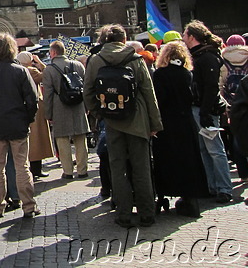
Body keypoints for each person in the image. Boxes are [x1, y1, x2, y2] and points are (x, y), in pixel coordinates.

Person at [83, 24, 163, 227]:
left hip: (111, 120)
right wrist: (155, 123)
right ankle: (147, 213)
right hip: (138, 120)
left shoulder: (96, 60)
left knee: (117, 168)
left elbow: (88, 91)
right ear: (124, 39)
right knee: (141, 167)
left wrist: (99, 113)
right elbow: (148, 93)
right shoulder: (136, 59)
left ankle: (123, 214)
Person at [0, 33, 40, 220]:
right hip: (18, 125)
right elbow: (33, 100)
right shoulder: (20, 71)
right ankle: (28, 206)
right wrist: (27, 119)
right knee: (22, 166)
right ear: (13, 49)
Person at [151, 40, 209, 217]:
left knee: (166, 160)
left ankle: (163, 194)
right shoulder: (187, 74)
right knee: (188, 160)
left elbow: (158, 100)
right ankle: (190, 198)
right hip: (185, 122)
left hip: (166, 124)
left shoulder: (160, 75)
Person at [183, 20, 233, 203]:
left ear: (192, 37)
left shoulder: (206, 57)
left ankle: (224, 188)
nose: (183, 37)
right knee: (204, 149)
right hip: (199, 107)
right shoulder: (198, 56)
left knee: (215, 150)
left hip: (206, 109)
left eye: (185, 34)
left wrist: (205, 111)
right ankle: (212, 186)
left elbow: (211, 87)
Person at [42, 41, 90, 180]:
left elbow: (48, 94)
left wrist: (48, 114)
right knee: (81, 138)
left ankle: (68, 171)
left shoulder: (49, 70)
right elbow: (86, 88)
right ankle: (82, 170)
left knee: (62, 140)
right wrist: (87, 107)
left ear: (54, 52)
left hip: (59, 106)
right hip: (78, 105)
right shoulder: (78, 65)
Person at [16, 51, 52, 179]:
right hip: (36, 108)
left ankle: (32, 169)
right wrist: (40, 62)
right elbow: (48, 74)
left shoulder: (18, 70)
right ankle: (36, 169)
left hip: (22, 108)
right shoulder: (31, 71)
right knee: (38, 141)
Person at [219, 34, 248, 181]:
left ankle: (243, 173)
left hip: (232, 104)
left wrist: (224, 105)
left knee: (236, 136)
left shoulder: (223, 60)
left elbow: (220, 85)